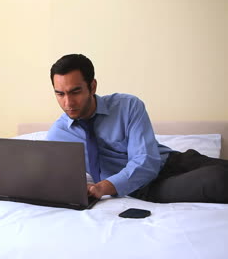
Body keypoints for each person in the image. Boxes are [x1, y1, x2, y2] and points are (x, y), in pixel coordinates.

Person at [47, 54, 228, 203]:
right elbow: (51, 179)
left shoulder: (128, 106)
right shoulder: (58, 135)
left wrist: (102, 187)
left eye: (75, 92)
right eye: (60, 94)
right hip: (147, 186)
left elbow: (145, 160)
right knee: (219, 180)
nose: (68, 103)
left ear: (92, 86)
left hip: (173, 161)